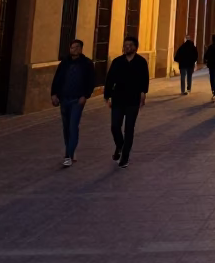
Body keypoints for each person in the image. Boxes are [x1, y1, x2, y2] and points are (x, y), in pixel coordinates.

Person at [103, 35, 149, 168]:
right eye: (125, 45)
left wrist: (143, 94)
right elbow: (110, 79)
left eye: (130, 45)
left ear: (135, 47)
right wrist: (107, 96)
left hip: (133, 99)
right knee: (115, 126)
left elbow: (144, 79)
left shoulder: (141, 62)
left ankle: (125, 156)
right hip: (118, 99)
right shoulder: (117, 62)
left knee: (129, 129)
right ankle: (120, 145)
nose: (127, 47)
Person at [50, 39, 96, 167]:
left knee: (73, 126)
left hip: (77, 99)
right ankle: (71, 150)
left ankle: (68, 155)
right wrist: (54, 94)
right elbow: (57, 79)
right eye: (72, 47)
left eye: (76, 47)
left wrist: (85, 95)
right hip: (64, 99)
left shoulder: (86, 64)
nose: (73, 50)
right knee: (66, 128)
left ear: (81, 49)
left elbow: (91, 81)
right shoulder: (64, 63)